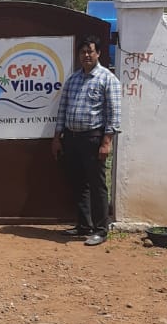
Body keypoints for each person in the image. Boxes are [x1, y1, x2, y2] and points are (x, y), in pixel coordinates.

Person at [51, 34, 121, 247]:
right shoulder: (73, 79)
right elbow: (62, 109)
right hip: (72, 138)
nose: (86, 55)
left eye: (90, 51)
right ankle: (83, 225)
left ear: (98, 53)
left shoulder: (107, 79)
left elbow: (114, 114)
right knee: (79, 183)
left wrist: (106, 142)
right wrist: (57, 138)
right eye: (83, 52)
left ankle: (101, 229)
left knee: (97, 185)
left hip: (93, 138)